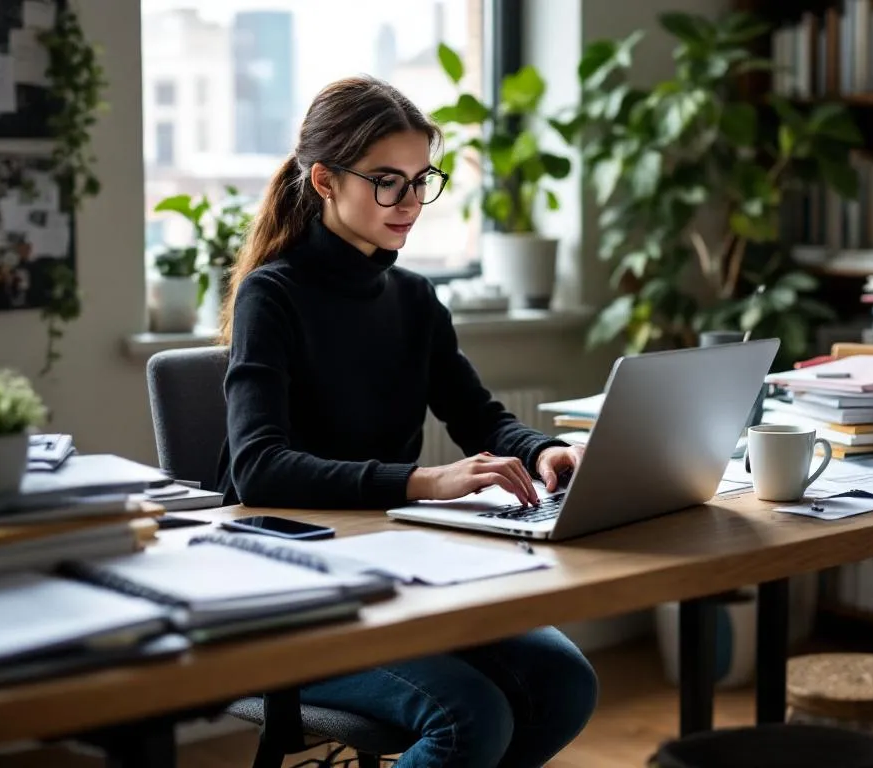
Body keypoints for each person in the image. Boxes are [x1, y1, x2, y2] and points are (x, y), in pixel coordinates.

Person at [213, 74, 599, 767]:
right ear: (326, 181)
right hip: (293, 589)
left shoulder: (416, 299)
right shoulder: (271, 297)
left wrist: (544, 450)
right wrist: (423, 481)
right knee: (468, 718)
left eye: (423, 180)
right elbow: (258, 467)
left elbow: (478, 415)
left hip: (397, 570)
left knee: (565, 684)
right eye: (388, 181)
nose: (411, 202)